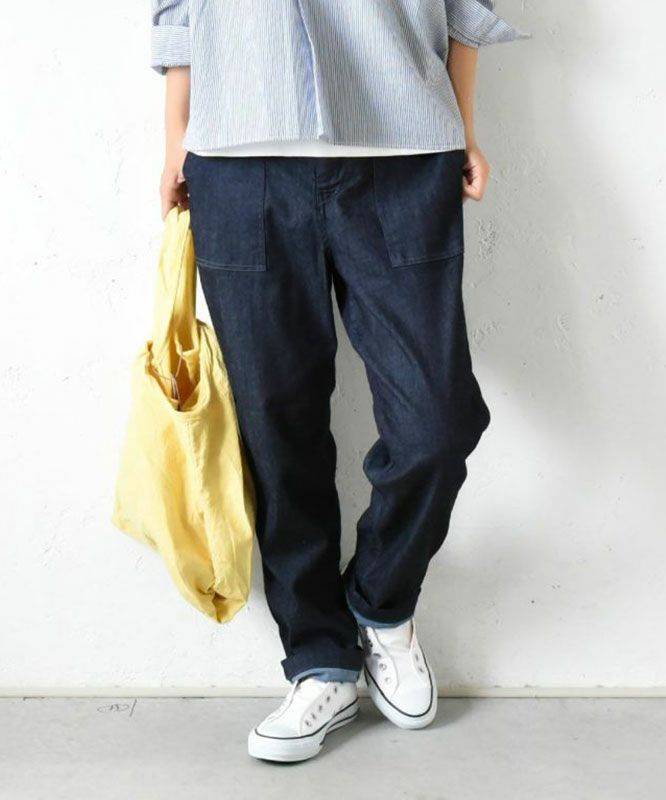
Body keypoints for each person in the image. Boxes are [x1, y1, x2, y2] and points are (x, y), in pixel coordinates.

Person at [151, 0, 527, 763]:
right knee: (275, 428)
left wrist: (463, 125)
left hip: (404, 153)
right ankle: (319, 659)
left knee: (438, 422)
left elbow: (466, 7)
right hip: (239, 160)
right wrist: (175, 142)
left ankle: (380, 604)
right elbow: (179, 11)